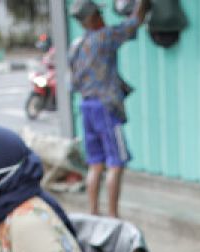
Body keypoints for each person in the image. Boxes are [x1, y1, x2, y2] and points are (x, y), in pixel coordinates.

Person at [68, 0, 150, 218]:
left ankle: (94, 213)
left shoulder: (76, 45)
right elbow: (133, 23)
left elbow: (72, 83)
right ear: (92, 18)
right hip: (105, 107)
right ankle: (113, 216)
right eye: (98, 13)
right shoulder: (104, 38)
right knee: (116, 163)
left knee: (96, 164)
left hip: (86, 106)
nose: (102, 18)